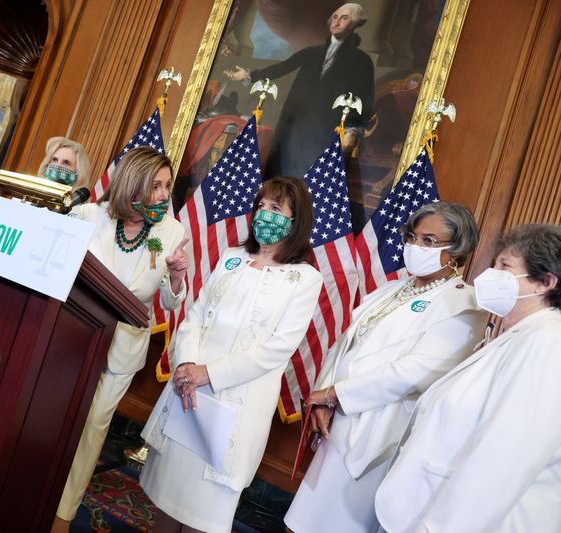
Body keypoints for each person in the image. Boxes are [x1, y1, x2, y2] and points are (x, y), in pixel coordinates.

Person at [284, 201, 488, 533]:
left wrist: (335, 394)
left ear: (456, 251)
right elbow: (344, 345)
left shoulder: (464, 304)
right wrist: (325, 399)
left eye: (429, 241)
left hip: (379, 439)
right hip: (338, 424)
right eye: (412, 236)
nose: (415, 246)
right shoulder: (392, 289)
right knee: (300, 523)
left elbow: (414, 372)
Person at [140, 178, 324, 532]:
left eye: (276, 209)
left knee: (202, 509)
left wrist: (207, 373)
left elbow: (276, 349)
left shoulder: (305, 278)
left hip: (236, 404)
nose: (264, 215)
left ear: (295, 220)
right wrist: (186, 366)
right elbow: (196, 314)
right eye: (261, 206)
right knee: (166, 492)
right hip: (187, 390)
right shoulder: (232, 257)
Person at [375, 224, 561, 533]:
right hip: (420, 505)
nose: (492, 273)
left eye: (505, 266)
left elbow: (506, 455)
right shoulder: (518, 335)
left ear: (544, 283)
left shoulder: (547, 341)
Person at [52, 147, 189, 531]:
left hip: (123, 347)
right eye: (156, 186)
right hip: (72, 337)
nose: (164, 195)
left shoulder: (171, 231)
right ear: (133, 184)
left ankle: (62, 514)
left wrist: (177, 278)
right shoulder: (87, 216)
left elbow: (168, 299)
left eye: (167, 187)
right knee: (52, 416)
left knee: (94, 425)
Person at [224, 3, 374, 178]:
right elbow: (282, 67)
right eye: (335, 17)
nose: (337, 22)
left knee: (309, 182)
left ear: (355, 24)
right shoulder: (312, 52)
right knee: (281, 174)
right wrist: (248, 75)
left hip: (326, 132)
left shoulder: (361, 61)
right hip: (295, 128)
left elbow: (364, 98)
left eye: (344, 18)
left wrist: (353, 131)